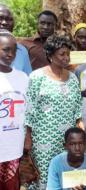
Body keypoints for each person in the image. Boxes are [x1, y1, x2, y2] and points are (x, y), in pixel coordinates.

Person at [24, 34, 83, 190]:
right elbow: (29, 110)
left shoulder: (72, 78)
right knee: (43, 176)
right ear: (50, 55)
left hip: (67, 140)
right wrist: (28, 137)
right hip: (43, 140)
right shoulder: (37, 77)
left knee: (65, 176)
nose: (66, 58)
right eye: (62, 54)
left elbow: (78, 105)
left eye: (68, 54)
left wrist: (80, 123)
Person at [0, 30, 29, 190]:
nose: (10, 54)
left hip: (14, 148)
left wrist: (27, 139)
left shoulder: (23, 78)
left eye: (14, 50)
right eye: (5, 49)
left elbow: (28, 112)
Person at [0, 4, 32, 75]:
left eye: (9, 19)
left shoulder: (22, 51)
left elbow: (28, 79)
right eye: (0, 18)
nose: (4, 22)